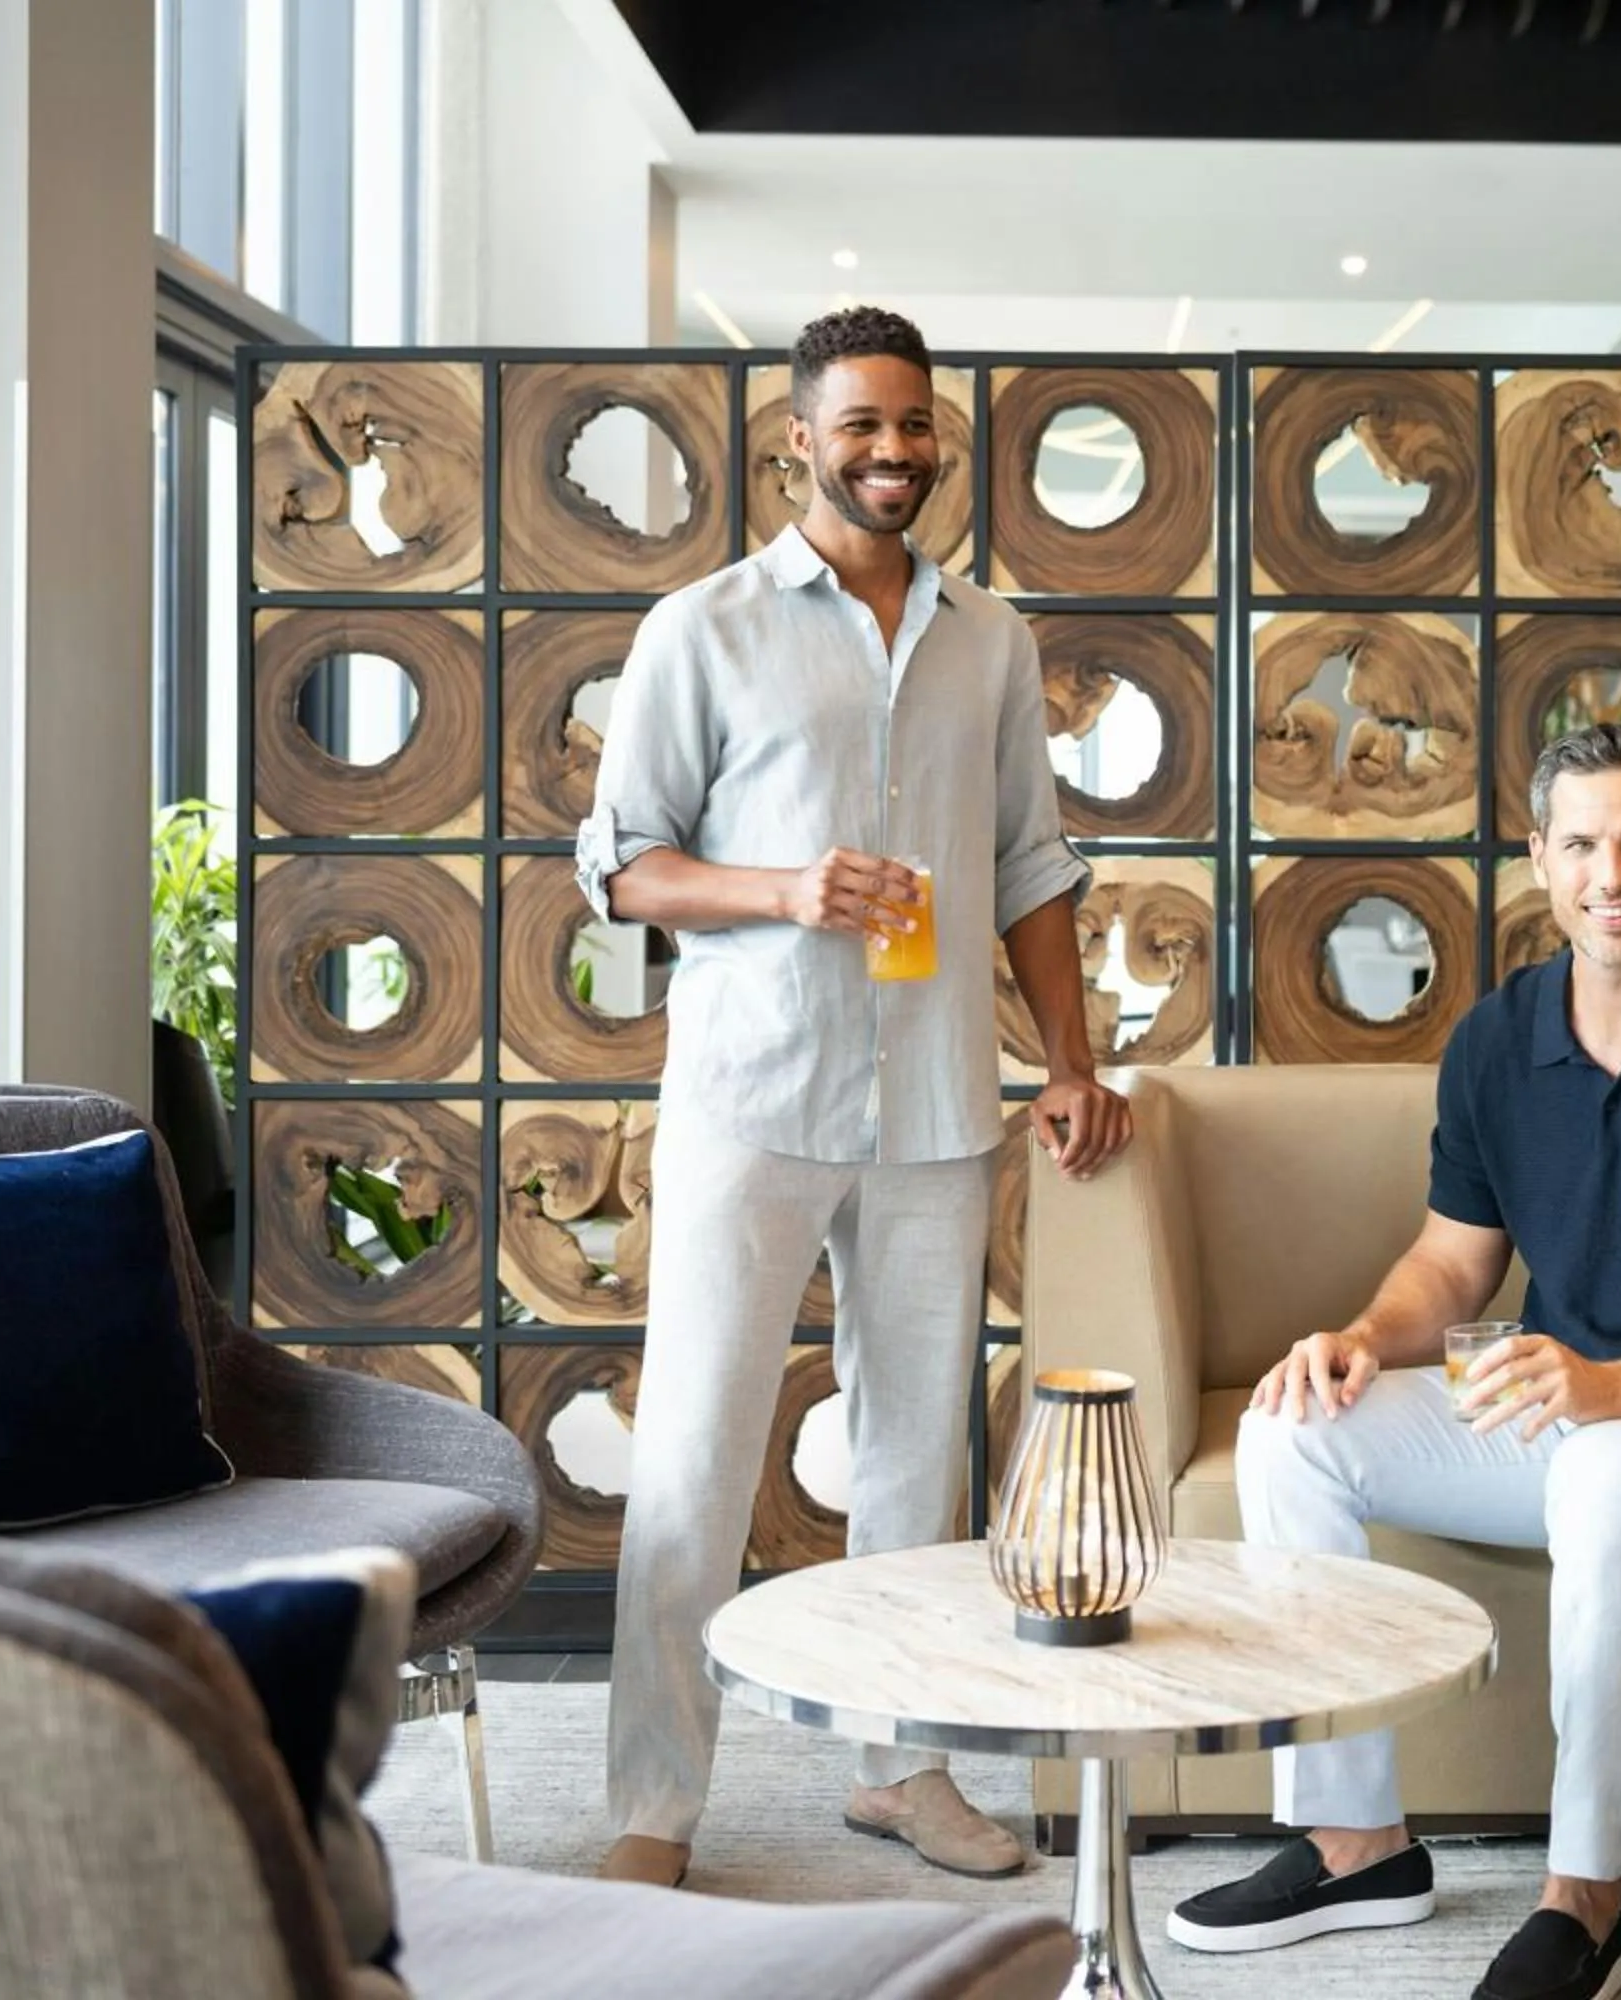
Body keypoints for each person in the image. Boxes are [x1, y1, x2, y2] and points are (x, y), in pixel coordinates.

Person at [1167, 723, 1621, 2000]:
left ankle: (1586, 1896)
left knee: (1606, 1475)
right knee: (1290, 1425)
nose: (1616, 871)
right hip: (1569, 1399)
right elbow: (1452, 1266)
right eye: (1585, 842)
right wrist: (1361, 1340)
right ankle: (1354, 1842)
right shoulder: (1498, 1040)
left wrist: (1609, 1389)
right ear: (1539, 858)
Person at [578, 306, 1131, 1890]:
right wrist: (785, 888)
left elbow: (1031, 867)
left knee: (914, 1470)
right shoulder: (707, 625)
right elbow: (621, 868)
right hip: (753, 1103)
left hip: (939, 1105)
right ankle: (653, 1807)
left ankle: (904, 1769)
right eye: (862, 425)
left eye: (915, 425)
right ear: (798, 441)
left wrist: (1073, 1063)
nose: (893, 451)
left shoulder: (993, 641)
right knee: (692, 1461)